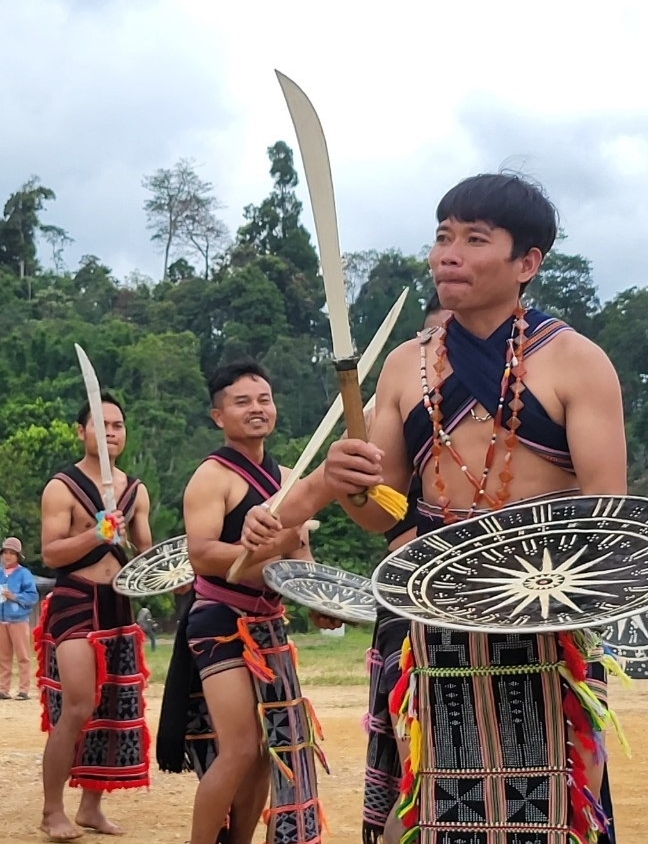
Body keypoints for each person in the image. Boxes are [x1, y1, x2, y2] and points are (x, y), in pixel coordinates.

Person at [243, 173, 627, 844]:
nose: (448, 251)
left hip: (541, 608)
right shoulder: (403, 365)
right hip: (427, 608)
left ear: (527, 262)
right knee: (429, 793)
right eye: (443, 235)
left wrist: (544, 584)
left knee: (551, 799)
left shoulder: (576, 362)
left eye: (475, 238)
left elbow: (608, 515)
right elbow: (383, 515)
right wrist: (354, 484)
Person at [158, 360, 332, 844]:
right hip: (219, 620)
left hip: (269, 624)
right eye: (242, 402)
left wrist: (314, 596)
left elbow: (301, 553)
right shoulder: (211, 477)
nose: (257, 409)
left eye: (263, 399)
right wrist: (266, 550)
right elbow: (203, 555)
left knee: (263, 751)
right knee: (238, 747)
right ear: (218, 416)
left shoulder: (290, 476)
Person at [36, 393, 152, 841]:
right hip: (76, 599)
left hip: (118, 602)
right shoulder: (61, 487)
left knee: (107, 708)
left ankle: (91, 806)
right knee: (79, 704)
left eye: (117, 425)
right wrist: (96, 534)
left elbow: (145, 549)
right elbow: (50, 552)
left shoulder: (135, 489)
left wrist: (174, 570)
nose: (110, 433)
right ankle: (51, 810)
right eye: (100, 425)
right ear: (80, 432)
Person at [361, 297, 451, 844]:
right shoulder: (393, 400)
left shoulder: (544, 371)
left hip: (519, 603)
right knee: (420, 773)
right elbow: (378, 510)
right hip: (412, 599)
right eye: (437, 338)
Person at [0, 536, 39, 700]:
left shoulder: (24, 574)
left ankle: (23, 690)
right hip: (0, 621)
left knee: (23, 656)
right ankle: (3, 690)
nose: (7, 556)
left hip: (18, 620)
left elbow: (32, 596)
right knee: (3, 657)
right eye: (5, 553)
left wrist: (14, 596)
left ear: (18, 556)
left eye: (11, 553)